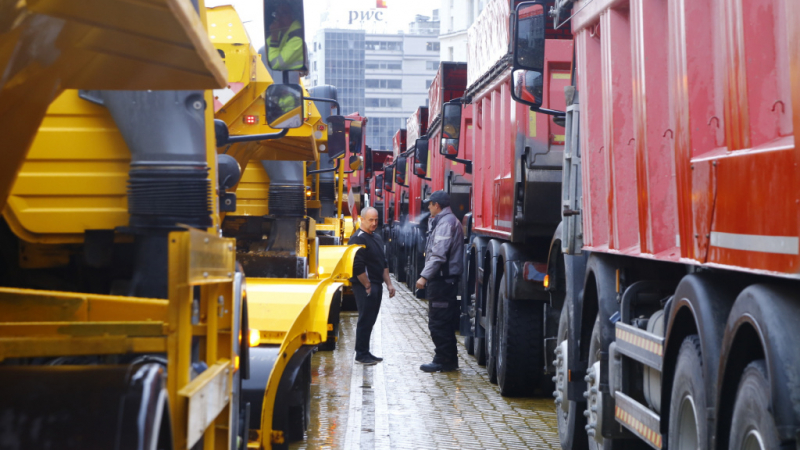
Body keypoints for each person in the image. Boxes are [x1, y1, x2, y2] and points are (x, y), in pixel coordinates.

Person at [416, 191, 464, 372]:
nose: (428, 207)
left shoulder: (446, 224)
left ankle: (443, 360)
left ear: (437, 205)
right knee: (444, 321)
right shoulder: (446, 221)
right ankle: (448, 360)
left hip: (442, 282)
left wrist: (424, 276)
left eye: (430, 204)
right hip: (446, 281)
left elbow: (438, 255)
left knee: (438, 321)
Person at [350, 207, 396, 365]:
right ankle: (361, 354)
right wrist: (367, 285)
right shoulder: (358, 238)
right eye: (371, 220)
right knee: (365, 319)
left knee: (371, 319)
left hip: (377, 284)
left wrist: (389, 284)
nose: (374, 223)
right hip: (365, 285)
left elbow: (383, 262)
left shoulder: (376, 237)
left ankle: (366, 351)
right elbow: (357, 266)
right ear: (362, 220)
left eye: (376, 220)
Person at [266, 3, 304, 71]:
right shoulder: (282, 32)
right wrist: (273, 33)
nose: (278, 17)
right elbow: (267, 48)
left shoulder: (296, 38)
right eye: (277, 13)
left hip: (292, 78)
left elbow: (274, 64)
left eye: (283, 13)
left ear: (293, 15)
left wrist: (274, 37)